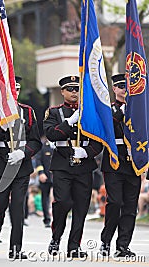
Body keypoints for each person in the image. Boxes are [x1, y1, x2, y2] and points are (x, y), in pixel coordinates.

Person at [0, 76, 42, 260]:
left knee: (18, 208)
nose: (14, 92)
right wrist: (0, 127)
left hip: (20, 167)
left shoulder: (27, 112)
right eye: (11, 88)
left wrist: (23, 153)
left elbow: (36, 141)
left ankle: (16, 247)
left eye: (17, 88)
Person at [43, 75, 102, 258]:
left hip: (83, 165)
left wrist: (87, 152)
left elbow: (100, 139)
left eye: (77, 89)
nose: (74, 92)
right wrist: (69, 122)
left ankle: (74, 246)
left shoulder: (90, 113)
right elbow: (51, 134)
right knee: (62, 202)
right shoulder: (54, 112)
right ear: (62, 92)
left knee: (81, 207)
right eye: (70, 89)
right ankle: (56, 237)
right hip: (62, 163)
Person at [99, 74, 142, 257]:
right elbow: (107, 127)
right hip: (114, 163)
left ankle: (123, 245)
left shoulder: (140, 113)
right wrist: (122, 111)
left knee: (130, 207)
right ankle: (106, 240)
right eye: (120, 86)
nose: (124, 90)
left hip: (134, 165)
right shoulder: (109, 110)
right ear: (114, 89)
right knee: (115, 203)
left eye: (127, 86)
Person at [34, 135, 54, 228]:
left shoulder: (60, 144)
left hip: (57, 176)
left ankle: (57, 217)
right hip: (45, 175)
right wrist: (41, 173)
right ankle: (47, 219)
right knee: (45, 197)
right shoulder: (43, 145)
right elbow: (38, 160)